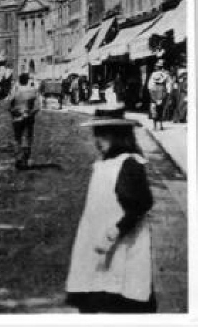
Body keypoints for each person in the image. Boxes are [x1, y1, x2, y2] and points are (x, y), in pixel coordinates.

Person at [66, 106, 156, 313]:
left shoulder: (129, 164)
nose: (98, 140)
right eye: (96, 133)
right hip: (99, 249)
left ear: (119, 136)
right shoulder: (104, 164)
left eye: (103, 134)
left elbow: (140, 204)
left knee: (117, 299)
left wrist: (116, 230)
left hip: (119, 247)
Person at [8, 72, 40, 169]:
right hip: (28, 118)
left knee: (17, 139)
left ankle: (18, 159)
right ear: (27, 81)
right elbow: (37, 107)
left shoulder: (15, 92)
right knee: (28, 138)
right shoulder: (33, 91)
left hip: (17, 118)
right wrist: (29, 113)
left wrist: (15, 112)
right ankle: (25, 160)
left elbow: (9, 106)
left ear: (19, 81)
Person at [147, 59, 171, 131]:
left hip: (155, 91)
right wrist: (168, 93)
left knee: (154, 109)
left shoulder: (154, 74)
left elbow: (150, 85)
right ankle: (160, 125)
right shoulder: (166, 74)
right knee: (160, 109)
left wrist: (150, 92)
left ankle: (155, 126)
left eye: (157, 66)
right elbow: (168, 85)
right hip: (162, 91)